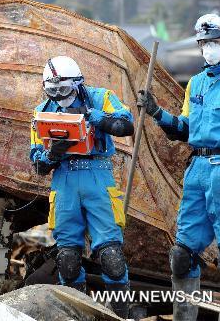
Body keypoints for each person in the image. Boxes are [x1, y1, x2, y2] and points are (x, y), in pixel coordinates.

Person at [138, 14, 220, 321]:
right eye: (204, 43)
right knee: (181, 256)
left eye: (214, 42)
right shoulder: (195, 84)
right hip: (197, 169)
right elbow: (184, 128)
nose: (208, 48)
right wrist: (157, 113)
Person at [30, 55, 134, 318]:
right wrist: (52, 154)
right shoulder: (43, 111)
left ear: (77, 83)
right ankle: (77, 313)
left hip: (97, 174)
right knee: (67, 258)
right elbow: (38, 164)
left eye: (63, 89)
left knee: (111, 256)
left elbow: (126, 125)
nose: (58, 95)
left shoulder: (101, 97)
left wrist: (99, 119)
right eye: (52, 90)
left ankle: (121, 313)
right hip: (63, 180)